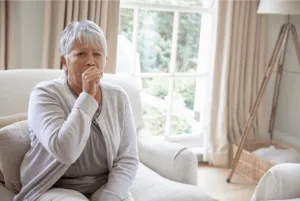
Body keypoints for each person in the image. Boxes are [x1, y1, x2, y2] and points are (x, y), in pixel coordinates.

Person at [13, 20, 139, 201]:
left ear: (105, 60)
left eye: (97, 54)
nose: (91, 61)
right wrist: (87, 97)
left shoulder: (118, 96)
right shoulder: (44, 94)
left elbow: (128, 158)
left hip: (103, 184)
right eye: (81, 54)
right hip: (54, 186)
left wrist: (110, 196)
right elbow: (65, 151)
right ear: (65, 61)